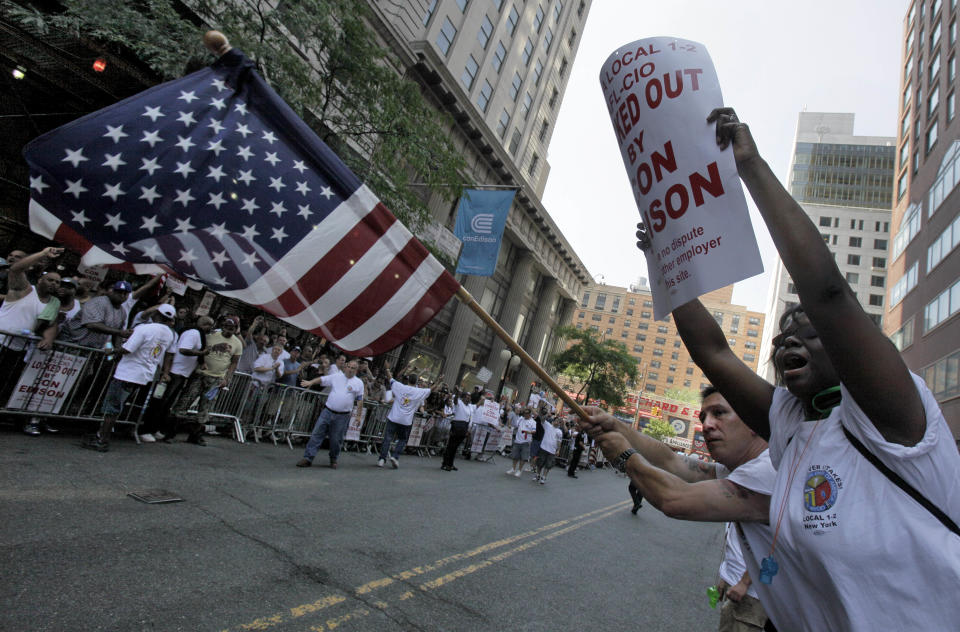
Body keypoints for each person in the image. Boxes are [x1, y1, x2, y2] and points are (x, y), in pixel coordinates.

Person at [628, 108, 960, 630]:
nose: (788, 340)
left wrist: (750, 167)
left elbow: (828, 292)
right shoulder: (790, 421)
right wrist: (664, 265)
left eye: (808, 331)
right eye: (783, 335)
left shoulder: (897, 415)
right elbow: (713, 353)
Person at [580, 387, 774, 630]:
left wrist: (625, 456)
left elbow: (674, 499)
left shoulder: (768, 470)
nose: (707, 425)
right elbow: (673, 462)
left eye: (719, 413)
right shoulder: (741, 466)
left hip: (763, 607)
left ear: (753, 421)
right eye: (703, 417)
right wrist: (617, 426)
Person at [80, 305, 177, 452]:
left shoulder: (145, 328)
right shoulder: (170, 334)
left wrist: (111, 350)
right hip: (144, 375)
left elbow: (127, 349)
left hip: (128, 372)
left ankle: (102, 440)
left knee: (111, 408)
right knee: (117, 406)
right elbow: (168, 354)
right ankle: (101, 435)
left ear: (156, 313)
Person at [0, 247, 63, 435]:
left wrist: (48, 339)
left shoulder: (54, 303)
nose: (53, 284)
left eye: (57, 282)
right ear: (40, 280)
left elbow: (51, 325)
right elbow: (16, 269)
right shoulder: (24, 290)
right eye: (50, 279)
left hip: (17, 349)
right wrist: (43, 254)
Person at [169, 315, 243, 445]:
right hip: (200, 374)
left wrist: (227, 378)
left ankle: (195, 435)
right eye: (226, 327)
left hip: (216, 378)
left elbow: (234, 363)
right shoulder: (211, 335)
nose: (228, 330)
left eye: (231, 328)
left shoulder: (237, 343)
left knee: (206, 406)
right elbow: (199, 349)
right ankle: (171, 431)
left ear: (236, 329)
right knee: (186, 400)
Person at [139, 315, 214, 442]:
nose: (211, 329)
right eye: (210, 326)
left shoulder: (197, 334)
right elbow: (183, 349)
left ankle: (155, 428)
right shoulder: (194, 333)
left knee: (167, 404)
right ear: (206, 325)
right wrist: (201, 353)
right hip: (176, 372)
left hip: (182, 373)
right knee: (160, 401)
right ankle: (146, 429)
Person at [296, 357, 364, 469]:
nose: (350, 370)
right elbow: (322, 379)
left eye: (353, 368)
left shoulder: (359, 383)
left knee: (336, 440)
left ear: (356, 370)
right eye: (349, 367)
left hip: (343, 416)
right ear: (346, 367)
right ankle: (308, 458)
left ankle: (333, 459)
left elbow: (360, 400)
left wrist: (358, 416)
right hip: (327, 411)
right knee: (316, 434)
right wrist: (311, 382)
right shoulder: (336, 376)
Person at [378, 368, 438, 469]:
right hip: (405, 421)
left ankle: (381, 459)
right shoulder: (418, 391)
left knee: (387, 438)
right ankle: (395, 456)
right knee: (402, 439)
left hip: (393, 417)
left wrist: (387, 368)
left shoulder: (400, 387)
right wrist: (439, 381)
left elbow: (390, 378)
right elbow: (431, 389)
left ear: (409, 379)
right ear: (416, 382)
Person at [441, 388, 473, 471]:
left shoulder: (469, 406)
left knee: (455, 447)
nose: (468, 398)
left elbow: (469, 418)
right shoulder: (459, 402)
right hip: (457, 425)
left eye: (469, 396)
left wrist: (468, 429)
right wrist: (457, 393)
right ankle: (445, 464)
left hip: (464, 426)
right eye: (467, 396)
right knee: (451, 446)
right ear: (463, 397)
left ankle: (451, 463)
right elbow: (455, 400)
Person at [506, 407, 536, 478]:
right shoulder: (521, 419)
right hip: (517, 440)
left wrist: (527, 432)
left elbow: (534, 431)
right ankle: (513, 468)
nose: (525, 415)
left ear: (530, 414)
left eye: (527, 414)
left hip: (526, 442)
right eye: (524, 413)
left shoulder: (533, 422)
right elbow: (516, 425)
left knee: (523, 457)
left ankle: (519, 470)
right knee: (515, 456)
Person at [534, 416, 563, 484]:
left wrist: (558, 450)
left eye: (559, 421)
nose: (557, 422)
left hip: (552, 451)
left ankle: (544, 477)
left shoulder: (559, 432)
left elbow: (559, 442)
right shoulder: (547, 425)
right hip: (543, 448)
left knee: (548, 465)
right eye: (556, 420)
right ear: (553, 421)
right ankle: (538, 475)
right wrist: (545, 413)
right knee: (540, 463)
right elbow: (542, 419)